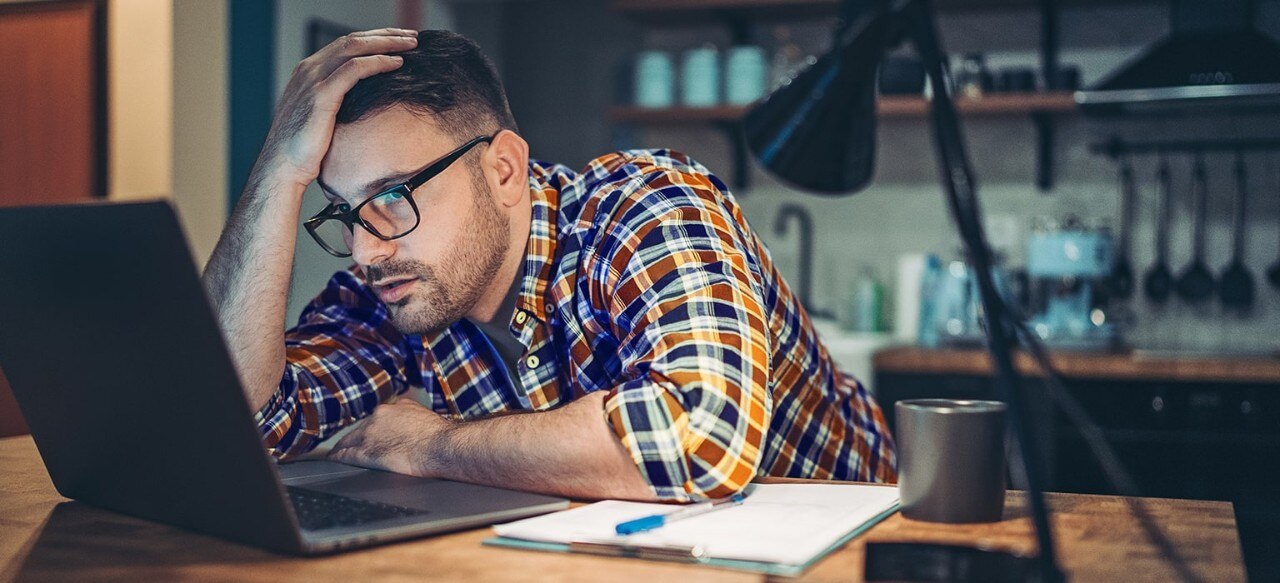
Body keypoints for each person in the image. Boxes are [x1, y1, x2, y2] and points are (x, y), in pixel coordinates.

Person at [202, 28, 895, 503]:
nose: (364, 249)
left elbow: (698, 437)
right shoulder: (390, 288)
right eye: (343, 212)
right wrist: (276, 172)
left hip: (859, 544)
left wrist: (435, 445)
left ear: (504, 169)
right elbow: (240, 425)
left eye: (391, 196)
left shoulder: (642, 204)